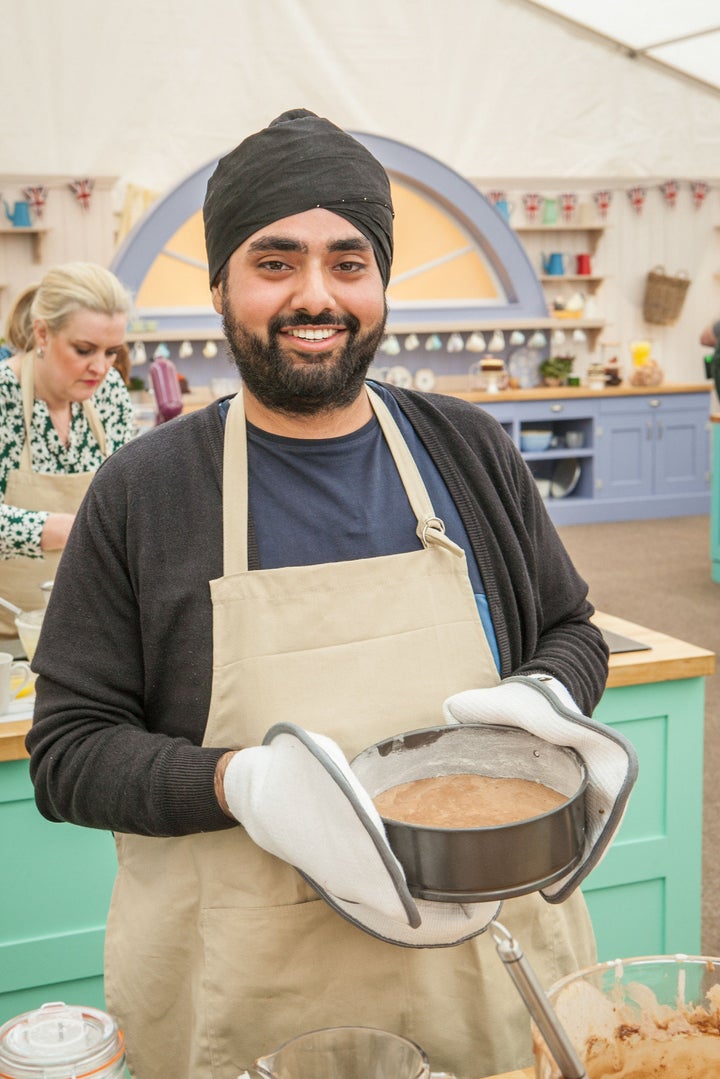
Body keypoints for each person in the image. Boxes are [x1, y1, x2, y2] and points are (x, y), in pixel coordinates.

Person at [27, 111, 636, 1079]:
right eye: (276, 262)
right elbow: (67, 752)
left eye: (349, 263)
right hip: (252, 992)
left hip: (482, 963)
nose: (317, 295)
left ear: (381, 282)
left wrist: (542, 699)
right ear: (220, 284)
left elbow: (571, 627)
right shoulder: (146, 490)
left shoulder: (467, 452)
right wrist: (241, 782)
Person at [0, 263, 135, 638]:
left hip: (90, 629)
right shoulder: (3, 396)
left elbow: (128, 493)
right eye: (84, 349)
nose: (101, 367)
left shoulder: (109, 395)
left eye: (111, 352)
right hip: (6, 639)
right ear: (42, 332)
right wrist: (59, 529)